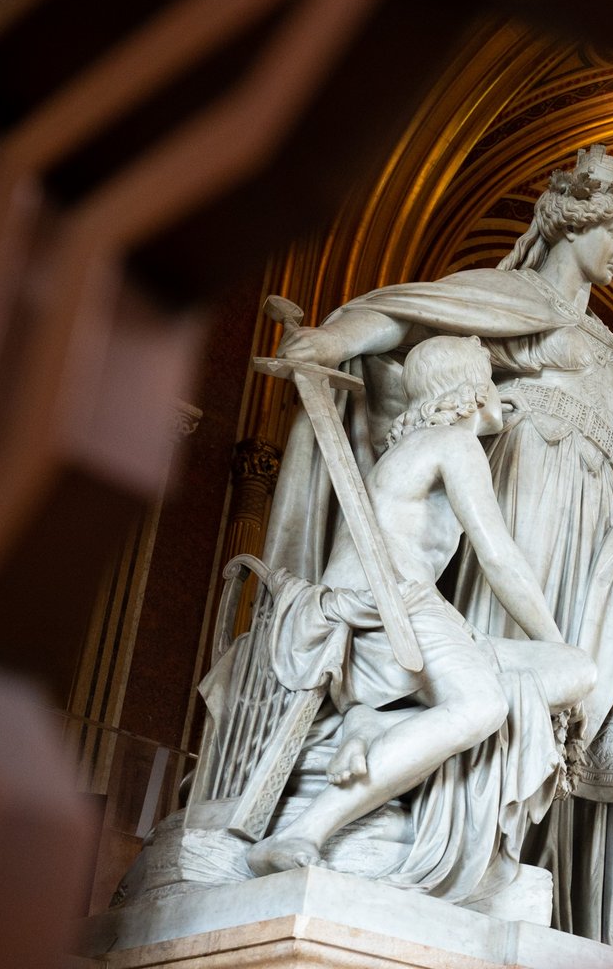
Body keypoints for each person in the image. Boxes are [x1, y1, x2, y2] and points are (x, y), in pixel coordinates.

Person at [265, 145, 613, 964]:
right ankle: (489, 849)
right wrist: (333, 343)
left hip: (605, 532)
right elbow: (405, 318)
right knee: (517, 674)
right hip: (516, 505)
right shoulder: (506, 298)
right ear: (573, 221)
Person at [245, 336, 593, 902]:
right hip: (387, 609)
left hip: (406, 614)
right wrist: (548, 637)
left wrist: (557, 653)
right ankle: (300, 833)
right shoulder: (453, 446)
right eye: (490, 381)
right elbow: (498, 555)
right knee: (484, 705)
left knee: (574, 669)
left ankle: (372, 726)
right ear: (472, 390)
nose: (498, 395)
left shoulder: (410, 451)